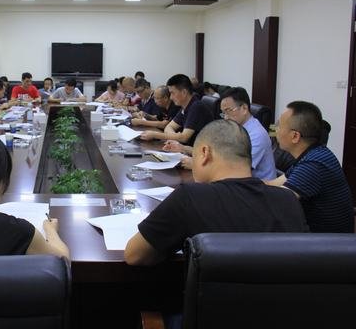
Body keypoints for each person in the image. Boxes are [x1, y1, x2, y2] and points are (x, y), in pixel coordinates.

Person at [124, 119, 309, 266]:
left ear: (205, 153)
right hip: (283, 304)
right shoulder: (288, 200)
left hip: (209, 304)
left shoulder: (190, 197)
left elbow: (134, 255)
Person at [267, 101, 353, 233]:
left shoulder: (314, 165)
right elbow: (273, 184)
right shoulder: (312, 154)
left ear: (295, 136)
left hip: (329, 242)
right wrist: (241, 183)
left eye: (278, 126)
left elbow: (276, 201)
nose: (274, 130)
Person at [164, 87, 277, 180]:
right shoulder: (235, 129)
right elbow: (215, 154)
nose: (226, 118)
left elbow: (235, 171)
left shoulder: (256, 135)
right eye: (223, 113)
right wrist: (183, 148)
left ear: (244, 108)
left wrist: (196, 165)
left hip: (258, 191)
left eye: (228, 111)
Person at [140, 74, 214, 146]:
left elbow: (184, 138)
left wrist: (155, 135)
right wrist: (176, 136)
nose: (171, 97)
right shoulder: (185, 106)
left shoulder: (196, 106)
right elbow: (169, 127)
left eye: (172, 93)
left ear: (184, 92)